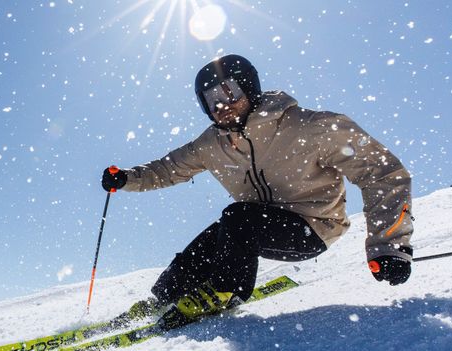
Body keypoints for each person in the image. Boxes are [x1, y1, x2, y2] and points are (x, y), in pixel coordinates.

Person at [102, 54, 413, 312]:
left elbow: (381, 173)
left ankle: (225, 292)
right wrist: (127, 178)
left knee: (238, 220)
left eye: (230, 93)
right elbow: (168, 168)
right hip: (258, 224)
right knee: (210, 242)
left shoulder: (308, 127)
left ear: (249, 88)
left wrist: (390, 247)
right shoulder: (212, 144)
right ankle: (162, 299)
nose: (222, 105)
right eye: (212, 100)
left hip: (313, 227)